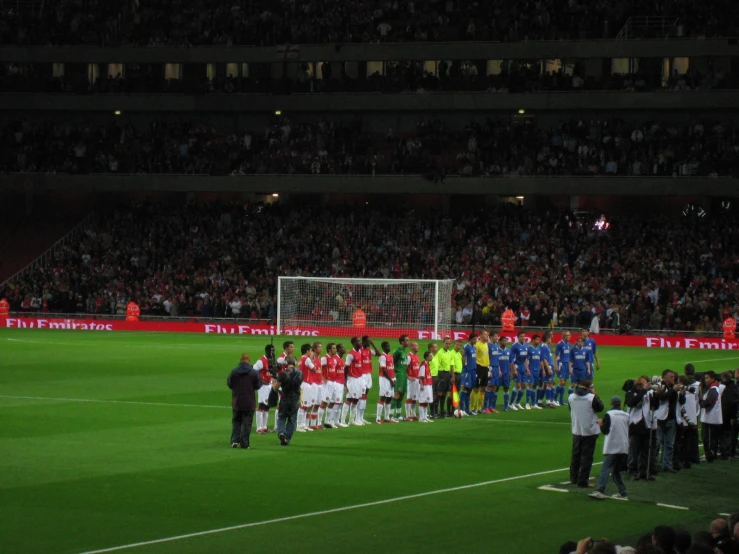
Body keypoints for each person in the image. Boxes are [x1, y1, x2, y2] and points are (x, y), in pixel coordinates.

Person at [589, 395, 629, 500]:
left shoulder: (609, 414)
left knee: (605, 468)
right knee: (615, 471)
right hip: (624, 446)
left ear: (611, 403)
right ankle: (623, 492)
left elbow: (605, 431)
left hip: (613, 446)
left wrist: (601, 424)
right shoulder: (626, 415)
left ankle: (600, 490)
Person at [568, 379, 604, 487]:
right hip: (590, 430)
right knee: (587, 457)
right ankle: (583, 480)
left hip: (576, 429)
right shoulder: (591, 398)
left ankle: (573, 478)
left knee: (575, 455)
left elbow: (570, 409)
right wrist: (595, 394)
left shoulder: (571, 397)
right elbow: (600, 408)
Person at [626, 376, 659, 480]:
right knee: (634, 450)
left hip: (646, 424)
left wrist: (656, 396)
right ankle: (632, 471)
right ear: (639, 385)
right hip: (635, 425)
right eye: (645, 383)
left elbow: (655, 406)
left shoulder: (649, 393)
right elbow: (632, 402)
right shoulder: (631, 392)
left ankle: (644, 471)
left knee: (645, 450)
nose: (648, 385)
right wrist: (644, 390)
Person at [226, 353, 260, 449]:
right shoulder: (253, 372)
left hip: (237, 401)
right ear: (249, 360)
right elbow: (258, 385)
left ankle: (234, 441)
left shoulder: (234, 371)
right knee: (247, 423)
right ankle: (245, 444)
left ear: (240, 360)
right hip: (249, 401)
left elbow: (229, 384)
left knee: (236, 421)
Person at [273, 355, 303, 446]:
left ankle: (282, 432)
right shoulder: (300, 373)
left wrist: (274, 383)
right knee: (292, 419)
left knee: (282, 417)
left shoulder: (283, 373)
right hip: (295, 398)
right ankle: (287, 438)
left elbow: (275, 388)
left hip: (285, 397)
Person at [654, 369, 680, 473]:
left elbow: (680, 401)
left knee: (669, 444)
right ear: (664, 377)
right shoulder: (659, 386)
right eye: (671, 377)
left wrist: (681, 394)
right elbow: (661, 397)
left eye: (673, 377)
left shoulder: (674, 387)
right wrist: (673, 390)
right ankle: (654, 465)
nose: (673, 378)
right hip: (660, 419)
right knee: (656, 443)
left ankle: (667, 465)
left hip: (672, 418)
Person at [674, 375, 699, 470]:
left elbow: (681, 407)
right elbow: (696, 404)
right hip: (692, 420)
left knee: (681, 442)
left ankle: (682, 461)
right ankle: (688, 461)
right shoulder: (693, 392)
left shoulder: (681, 393)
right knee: (689, 442)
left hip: (685, 420)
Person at [252, 345, 276, 434]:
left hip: (269, 385)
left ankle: (264, 426)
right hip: (262, 386)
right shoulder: (261, 361)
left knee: (267, 406)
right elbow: (253, 371)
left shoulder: (272, 361)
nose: (273, 353)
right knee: (261, 405)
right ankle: (259, 428)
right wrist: (260, 380)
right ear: (267, 351)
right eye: (271, 351)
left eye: (274, 351)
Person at [700, 371, 723, 462]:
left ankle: (709, 455)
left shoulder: (713, 389)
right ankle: (710, 454)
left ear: (712, 379)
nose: (705, 380)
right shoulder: (713, 388)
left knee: (708, 438)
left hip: (710, 418)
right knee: (710, 438)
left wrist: (700, 402)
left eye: (707, 378)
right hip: (711, 418)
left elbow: (709, 402)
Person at [344, 337, 365, 426]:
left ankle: (352, 420)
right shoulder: (350, 355)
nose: (360, 342)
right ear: (354, 343)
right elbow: (346, 368)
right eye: (358, 341)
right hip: (352, 379)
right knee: (349, 399)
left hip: (359, 378)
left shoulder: (359, 352)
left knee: (356, 400)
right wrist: (345, 382)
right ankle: (342, 420)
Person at [296, 344, 316, 432]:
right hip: (305, 384)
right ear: (307, 351)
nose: (312, 352)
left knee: (305, 405)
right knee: (303, 406)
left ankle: (303, 424)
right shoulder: (307, 359)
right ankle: (299, 425)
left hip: (303, 383)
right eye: (311, 350)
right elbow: (314, 369)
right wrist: (312, 359)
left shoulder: (300, 359)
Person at [719, 371, 738, 460]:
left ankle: (725, 452)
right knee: (731, 433)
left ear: (723, 378)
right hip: (733, 414)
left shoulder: (723, 387)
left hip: (724, 414)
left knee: (724, 434)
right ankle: (730, 451)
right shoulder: (734, 386)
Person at [359, 336, 378, 425]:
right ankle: (357, 417)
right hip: (362, 374)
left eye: (370, 341)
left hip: (368, 375)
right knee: (361, 395)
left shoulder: (369, 351)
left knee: (365, 395)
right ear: (363, 342)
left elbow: (379, 354)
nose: (369, 343)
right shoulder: (360, 350)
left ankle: (361, 418)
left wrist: (373, 343)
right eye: (368, 341)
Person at [390, 334, 410, 420]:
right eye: (407, 341)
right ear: (402, 342)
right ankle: (390, 416)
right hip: (398, 375)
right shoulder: (398, 351)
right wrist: (393, 375)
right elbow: (391, 362)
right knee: (397, 394)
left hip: (404, 375)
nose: (408, 342)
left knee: (401, 395)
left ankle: (398, 415)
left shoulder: (404, 351)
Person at [377, 341, 397, 423]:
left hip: (391, 379)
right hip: (384, 379)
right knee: (383, 397)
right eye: (387, 346)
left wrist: (394, 378)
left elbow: (392, 368)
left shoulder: (390, 356)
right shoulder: (382, 357)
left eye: (389, 346)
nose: (389, 347)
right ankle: (378, 418)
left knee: (389, 398)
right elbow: (384, 370)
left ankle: (387, 417)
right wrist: (390, 380)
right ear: (383, 347)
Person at [434, 337, 453, 418]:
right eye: (446, 343)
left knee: (444, 393)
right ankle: (436, 411)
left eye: (449, 343)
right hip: (441, 374)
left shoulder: (449, 352)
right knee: (439, 393)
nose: (448, 345)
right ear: (443, 343)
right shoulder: (439, 353)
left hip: (447, 374)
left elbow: (452, 365)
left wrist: (452, 375)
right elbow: (437, 365)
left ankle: (442, 411)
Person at [510, 331, 530, 410]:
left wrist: (527, 368)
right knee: (518, 386)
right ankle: (510, 403)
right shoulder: (514, 346)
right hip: (517, 367)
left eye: (524, 336)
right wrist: (513, 370)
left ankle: (517, 402)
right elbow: (511, 359)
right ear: (518, 337)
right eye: (521, 336)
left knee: (523, 386)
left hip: (523, 367)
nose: (523, 338)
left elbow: (525, 359)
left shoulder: (525, 345)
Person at [460, 333, 478, 415]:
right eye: (474, 339)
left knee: (469, 390)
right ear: (470, 339)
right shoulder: (466, 346)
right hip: (467, 370)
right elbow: (463, 356)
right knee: (465, 389)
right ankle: (461, 409)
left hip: (473, 370)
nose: (476, 340)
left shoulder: (474, 347)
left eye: (476, 339)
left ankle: (467, 410)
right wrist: (464, 367)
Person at [483, 330, 500, 413]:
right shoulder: (488, 346)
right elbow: (487, 358)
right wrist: (488, 370)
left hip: (496, 368)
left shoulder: (497, 346)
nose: (497, 338)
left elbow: (497, 359)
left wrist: (499, 370)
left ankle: (492, 406)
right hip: (491, 368)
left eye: (497, 336)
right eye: (495, 336)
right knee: (489, 387)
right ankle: (485, 407)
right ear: (491, 337)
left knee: (495, 387)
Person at [473, 331, 490, 413]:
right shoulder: (477, 344)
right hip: (478, 367)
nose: (487, 335)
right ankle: (472, 407)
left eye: (487, 334)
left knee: (483, 388)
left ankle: (479, 408)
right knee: (476, 388)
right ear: (481, 335)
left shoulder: (486, 344)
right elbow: (474, 357)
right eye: (485, 334)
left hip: (485, 368)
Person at [554, 330, 572, 406]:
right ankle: (554, 398)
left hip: (567, 364)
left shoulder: (568, 344)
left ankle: (561, 400)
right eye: (566, 335)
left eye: (569, 335)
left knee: (564, 383)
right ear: (563, 336)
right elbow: (555, 356)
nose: (568, 337)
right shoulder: (560, 344)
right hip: (561, 364)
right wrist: (556, 366)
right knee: (561, 382)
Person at [526, 335, 543, 410]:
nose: (538, 341)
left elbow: (540, 360)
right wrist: (527, 369)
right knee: (530, 385)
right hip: (531, 369)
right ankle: (527, 403)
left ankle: (533, 404)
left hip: (537, 370)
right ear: (532, 340)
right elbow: (526, 360)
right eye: (537, 339)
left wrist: (542, 369)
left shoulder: (539, 349)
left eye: (539, 339)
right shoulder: (529, 349)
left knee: (535, 386)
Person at [540, 331, 556, 408]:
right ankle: (548, 402)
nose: (551, 339)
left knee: (546, 384)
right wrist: (548, 368)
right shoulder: (543, 346)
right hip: (548, 366)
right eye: (550, 338)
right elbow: (544, 359)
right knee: (549, 384)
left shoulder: (547, 346)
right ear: (547, 339)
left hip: (550, 366)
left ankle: (540, 401)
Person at [406, 341, 421, 420]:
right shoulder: (409, 357)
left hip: (417, 380)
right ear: (411, 347)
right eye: (415, 345)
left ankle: (413, 414)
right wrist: (408, 377)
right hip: (411, 380)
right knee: (410, 397)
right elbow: (403, 368)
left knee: (415, 397)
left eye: (417, 345)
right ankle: (408, 415)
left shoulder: (417, 357)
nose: (417, 347)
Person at [418, 351, 435, 423]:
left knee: (426, 401)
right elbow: (420, 376)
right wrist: (421, 385)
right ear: (427, 357)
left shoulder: (427, 364)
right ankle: (421, 418)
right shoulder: (423, 365)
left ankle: (425, 417)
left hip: (428, 384)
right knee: (422, 401)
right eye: (431, 356)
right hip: (424, 385)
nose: (432, 357)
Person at [449, 339, 464, 416]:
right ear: (454, 344)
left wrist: (463, 355)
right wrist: (453, 376)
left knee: (456, 393)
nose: (459, 347)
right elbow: (452, 366)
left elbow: (462, 364)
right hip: (454, 374)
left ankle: (453, 410)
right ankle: (450, 411)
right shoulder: (451, 353)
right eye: (457, 345)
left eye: (460, 345)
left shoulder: (459, 354)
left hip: (459, 374)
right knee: (452, 393)